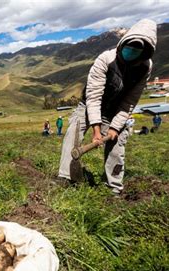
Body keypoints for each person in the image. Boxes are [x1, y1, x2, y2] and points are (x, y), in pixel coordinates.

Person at [58, 19, 157, 195]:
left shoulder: (145, 67)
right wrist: (96, 130)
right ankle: (65, 178)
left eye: (137, 50)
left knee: (117, 145)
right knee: (73, 132)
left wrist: (115, 127)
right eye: (129, 47)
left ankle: (113, 187)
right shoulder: (106, 59)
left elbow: (129, 102)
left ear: (145, 52)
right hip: (88, 105)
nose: (131, 52)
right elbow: (93, 97)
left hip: (115, 111)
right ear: (123, 44)